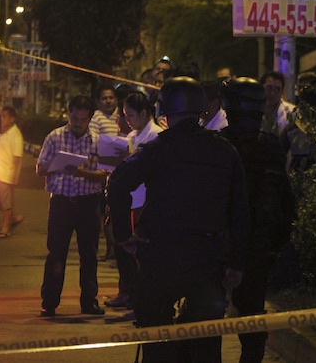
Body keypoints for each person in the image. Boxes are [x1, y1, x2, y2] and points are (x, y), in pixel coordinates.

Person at [107, 77, 249, 362]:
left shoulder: (158, 150)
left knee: (155, 337)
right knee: (206, 342)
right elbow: (240, 211)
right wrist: (237, 264)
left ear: (164, 112)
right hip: (208, 260)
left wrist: (124, 235)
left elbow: (118, 184)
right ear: (200, 110)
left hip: (162, 257)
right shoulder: (225, 151)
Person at [219, 77, 295, 363]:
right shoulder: (271, 146)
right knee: (251, 315)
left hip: (224, 245)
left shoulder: (221, 145)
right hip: (259, 246)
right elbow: (287, 203)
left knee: (209, 316)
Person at [36, 95, 109, 317]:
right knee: (56, 253)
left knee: (89, 254)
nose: (77, 123)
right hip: (61, 203)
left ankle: (89, 301)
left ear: (90, 119)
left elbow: (104, 176)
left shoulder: (97, 141)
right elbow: (40, 169)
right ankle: (49, 302)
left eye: (82, 119)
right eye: (74, 118)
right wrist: (57, 164)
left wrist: (81, 172)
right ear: (68, 114)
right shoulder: (55, 137)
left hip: (88, 204)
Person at [104, 92, 163, 310]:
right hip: (126, 201)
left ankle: (138, 295)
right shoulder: (132, 136)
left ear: (145, 113)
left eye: (130, 115)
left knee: (137, 250)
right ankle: (126, 291)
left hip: (141, 201)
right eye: (124, 115)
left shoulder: (156, 136)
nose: (126, 119)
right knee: (123, 247)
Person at [89, 85, 119, 261]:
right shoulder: (97, 118)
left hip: (120, 169)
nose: (108, 101)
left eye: (111, 97)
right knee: (106, 211)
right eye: (104, 98)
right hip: (104, 171)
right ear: (98, 102)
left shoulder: (120, 115)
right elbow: (93, 142)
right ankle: (111, 248)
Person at [0, 106, 24, 238]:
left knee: (5, 203)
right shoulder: (1, 132)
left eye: (4, 116)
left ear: (12, 119)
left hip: (7, 175)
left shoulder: (16, 135)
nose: (1, 119)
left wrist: (14, 178)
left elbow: (17, 158)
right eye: (1, 116)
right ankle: (14, 217)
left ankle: (5, 229)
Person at [260, 71, 295, 136]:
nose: (272, 93)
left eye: (277, 89)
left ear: (282, 92)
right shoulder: (253, 109)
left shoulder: (292, 113)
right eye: (269, 88)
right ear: (261, 88)